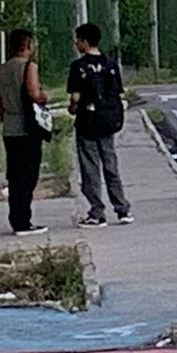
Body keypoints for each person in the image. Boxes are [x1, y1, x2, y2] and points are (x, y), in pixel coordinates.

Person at [67, 23, 131, 228]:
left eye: (77, 40)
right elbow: (118, 93)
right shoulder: (111, 64)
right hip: (108, 122)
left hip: (87, 122)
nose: (76, 43)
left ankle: (97, 212)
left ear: (85, 41)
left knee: (90, 167)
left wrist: (73, 108)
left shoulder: (78, 67)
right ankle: (122, 209)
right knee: (110, 164)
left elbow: (75, 98)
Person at [0, 29, 49, 236]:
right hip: (27, 127)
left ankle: (16, 217)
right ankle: (23, 220)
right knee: (29, 174)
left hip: (9, 126)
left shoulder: (1, 69)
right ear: (27, 45)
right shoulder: (29, 67)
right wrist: (44, 97)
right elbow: (34, 93)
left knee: (15, 175)